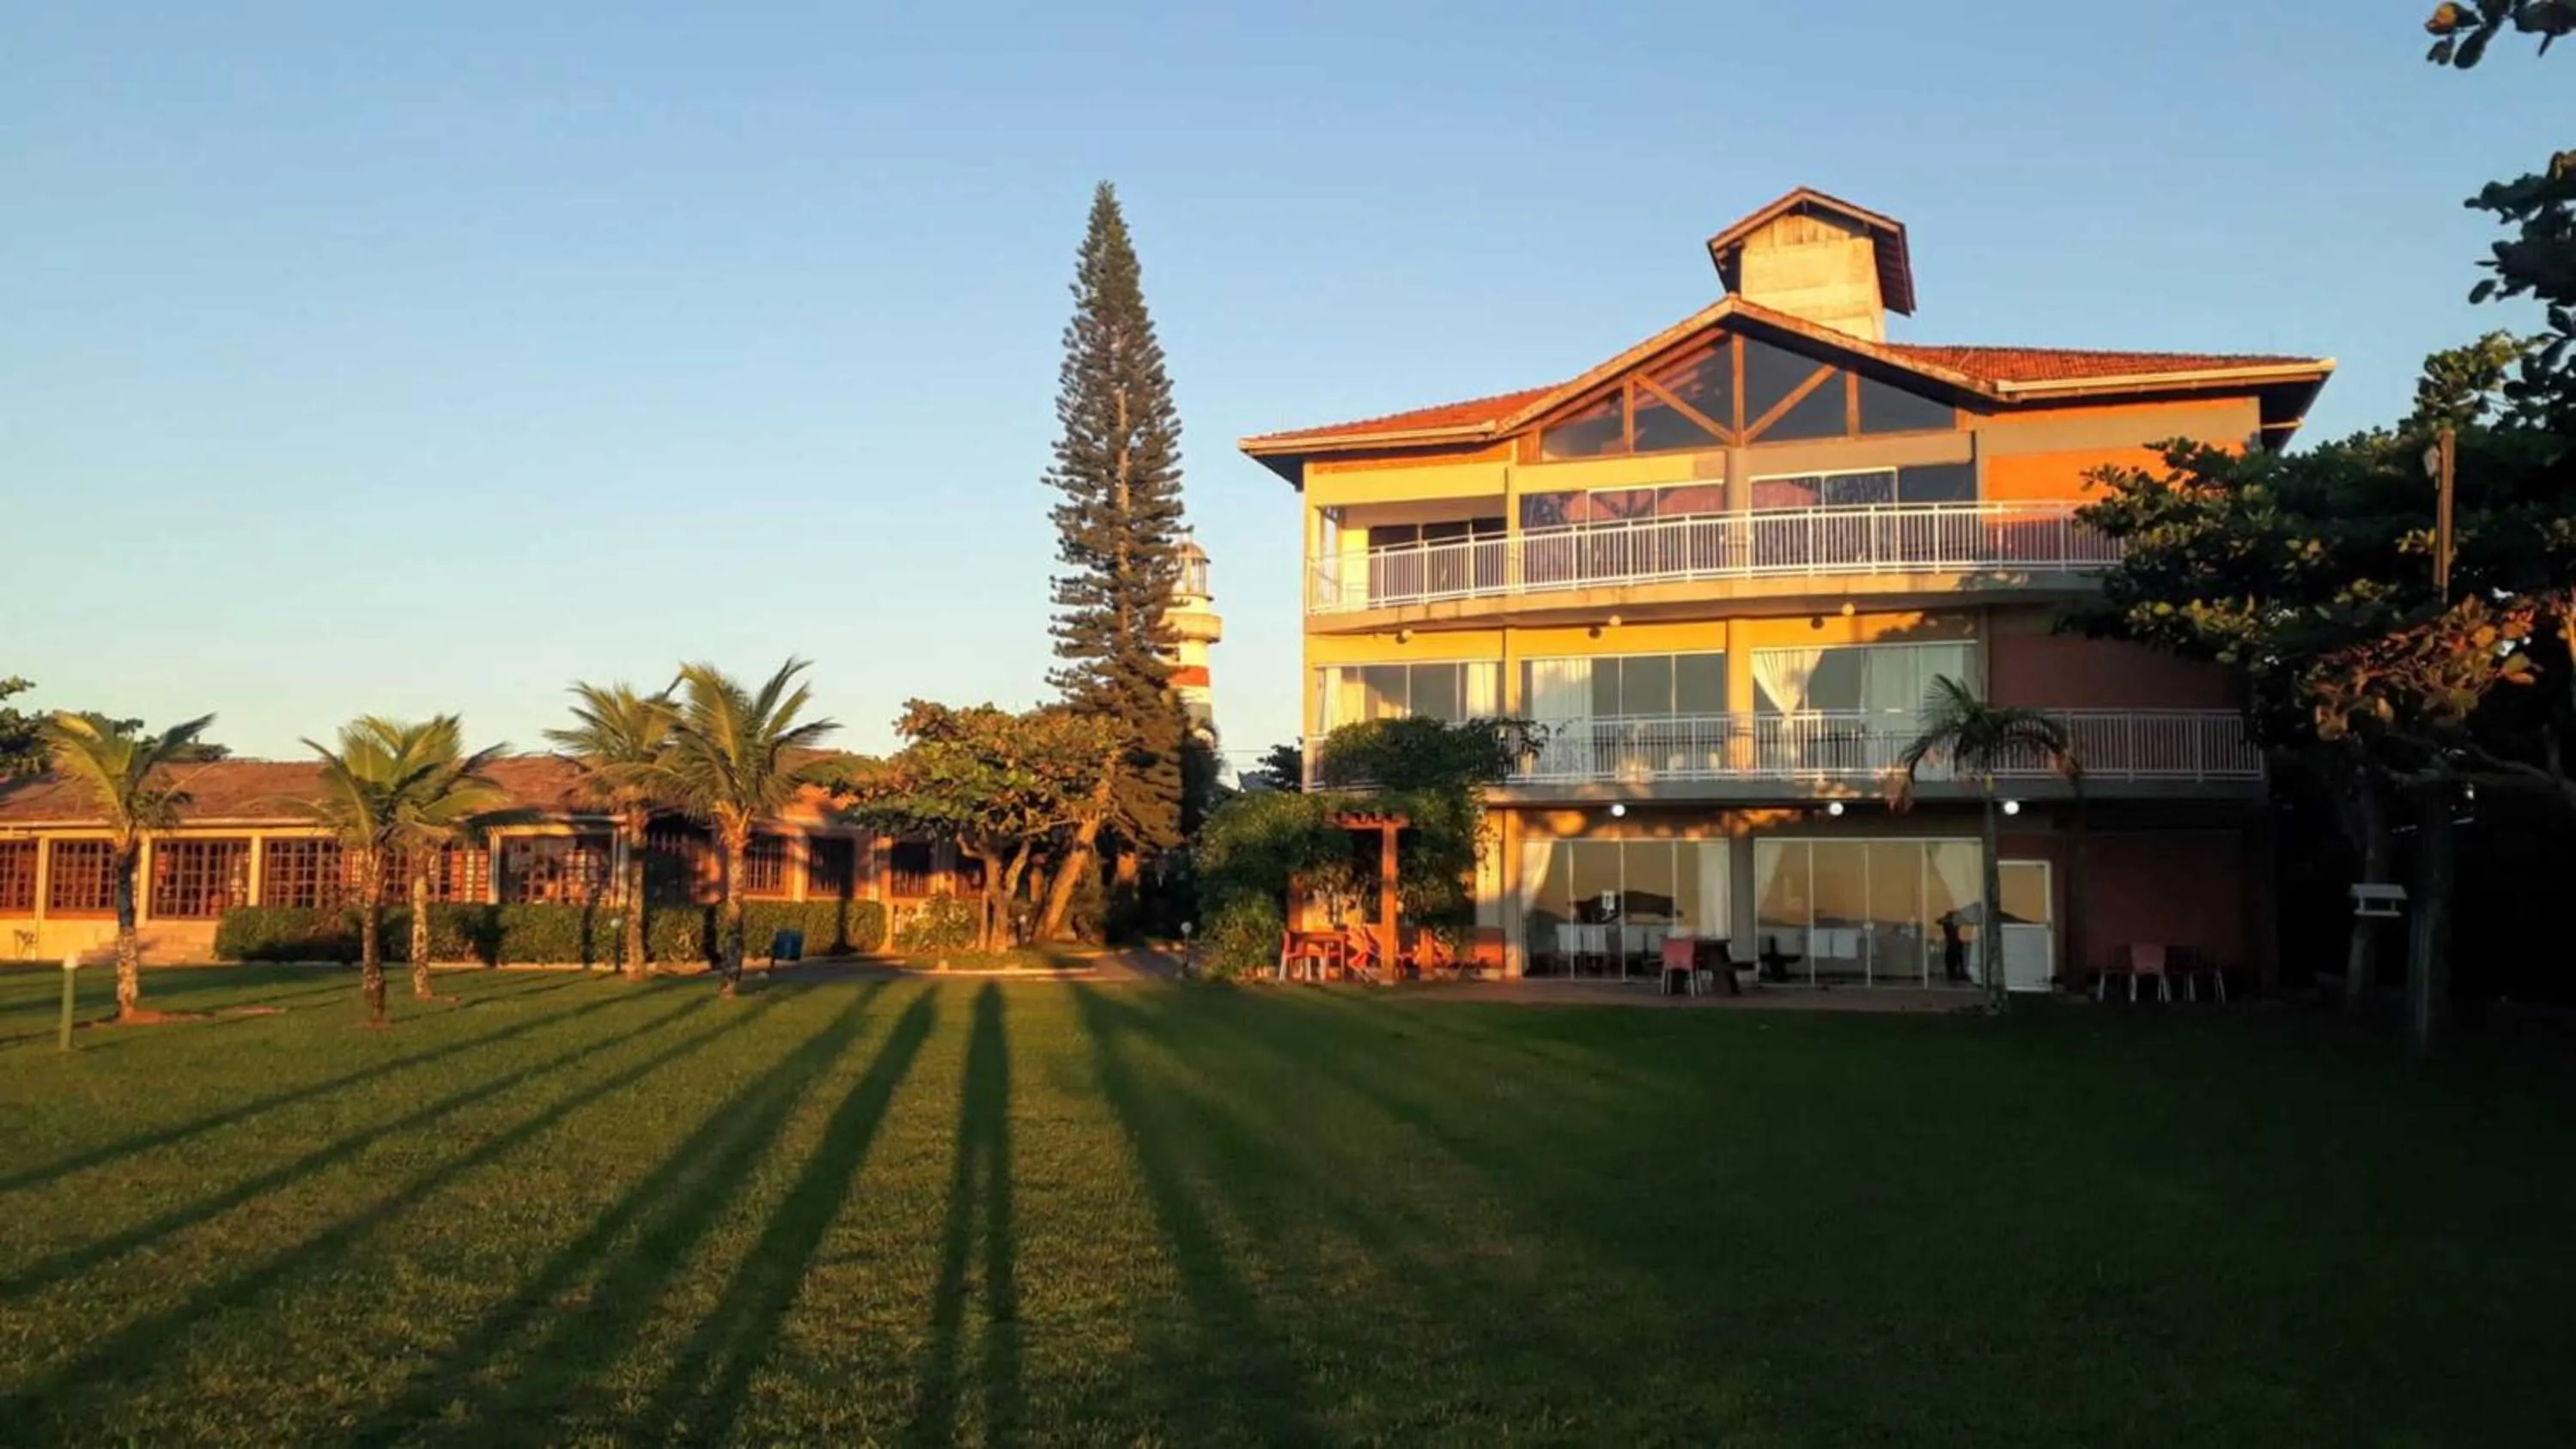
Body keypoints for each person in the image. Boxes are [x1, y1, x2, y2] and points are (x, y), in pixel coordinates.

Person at [1940, 912, 1971, 985]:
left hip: (1953, 943)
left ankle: (1956, 973)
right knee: (1954, 953)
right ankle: (1954, 973)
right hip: (1952, 943)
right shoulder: (1953, 945)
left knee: (1957, 952)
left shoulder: (1956, 944)